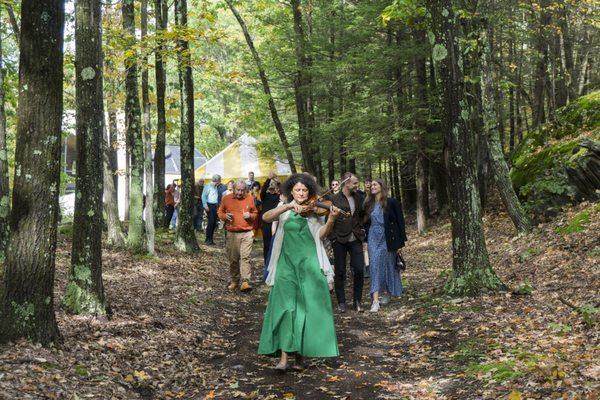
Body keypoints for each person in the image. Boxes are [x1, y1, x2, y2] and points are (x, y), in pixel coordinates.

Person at [258, 173, 341, 371]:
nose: (302, 193)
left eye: (304, 190)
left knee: (307, 307)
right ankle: (284, 359)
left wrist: (331, 219)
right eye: (298, 190)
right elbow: (265, 217)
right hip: (286, 264)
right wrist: (286, 206)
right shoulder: (285, 209)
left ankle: (301, 357)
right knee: (286, 308)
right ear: (291, 191)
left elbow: (320, 236)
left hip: (310, 264)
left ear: (309, 191)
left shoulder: (314, 211)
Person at [364, 179, 406, 312]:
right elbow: (365, 223)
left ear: (382, 187)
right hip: (373, 237)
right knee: (374, 266)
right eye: (372, 185)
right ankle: (375, 301)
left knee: (388, 265)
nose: (372, 186)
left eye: (375, 184)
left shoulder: (391, 202)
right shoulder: (368, 203)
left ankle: (388, 293)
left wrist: (401, 243)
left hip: (388, 238)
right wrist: (365, 240)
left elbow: (400, 221)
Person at [329, 172, 366, 313]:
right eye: (355, 183)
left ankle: (357, 301)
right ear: (346, 183)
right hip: (339, 239)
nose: (357, 185)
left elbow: (362, 215)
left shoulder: (359, 197)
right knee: (340, 271)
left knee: (359, 269)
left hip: (355, 238)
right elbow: (329, 220)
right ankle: (342, 302)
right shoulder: (334, 198)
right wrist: (333, 237)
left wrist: (361, 230)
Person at [218, 181, 258, 292]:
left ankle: (245, 282)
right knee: (233, 258)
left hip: (246, 232)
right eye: (238, 190)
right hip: (232, 233)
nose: (240, 192)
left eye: (242, 190)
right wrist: (225, 216)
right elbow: (220, 212)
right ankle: (235, 280)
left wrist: (250, 215)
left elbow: (255, 213)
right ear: (234, 189)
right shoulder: (226, 198)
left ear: (245, 190)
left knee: (245, 257)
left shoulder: (249, 198)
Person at [260, 173, 281, 263]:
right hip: (266, 222)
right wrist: (268, 179)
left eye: (273, 184)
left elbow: (284, 191)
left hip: (276, 222)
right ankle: (267, 262)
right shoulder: (264, 196)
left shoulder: (278, 197)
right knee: (267, 243)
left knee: (277, 242)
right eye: (270, 184)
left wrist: (278, 182)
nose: (271, 186)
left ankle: (275, 261)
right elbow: (263, 190)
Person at [202, 174, 222, 245]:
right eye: (220, 180)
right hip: (209, 205)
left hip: (215, 206)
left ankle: (211, 239)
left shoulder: (216, 187)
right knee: (211, 222)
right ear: (217, 180)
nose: (220, 182)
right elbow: (203, 196)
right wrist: (205, 206)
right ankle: (207, 239)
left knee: (214, 223)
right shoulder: (208, 186)